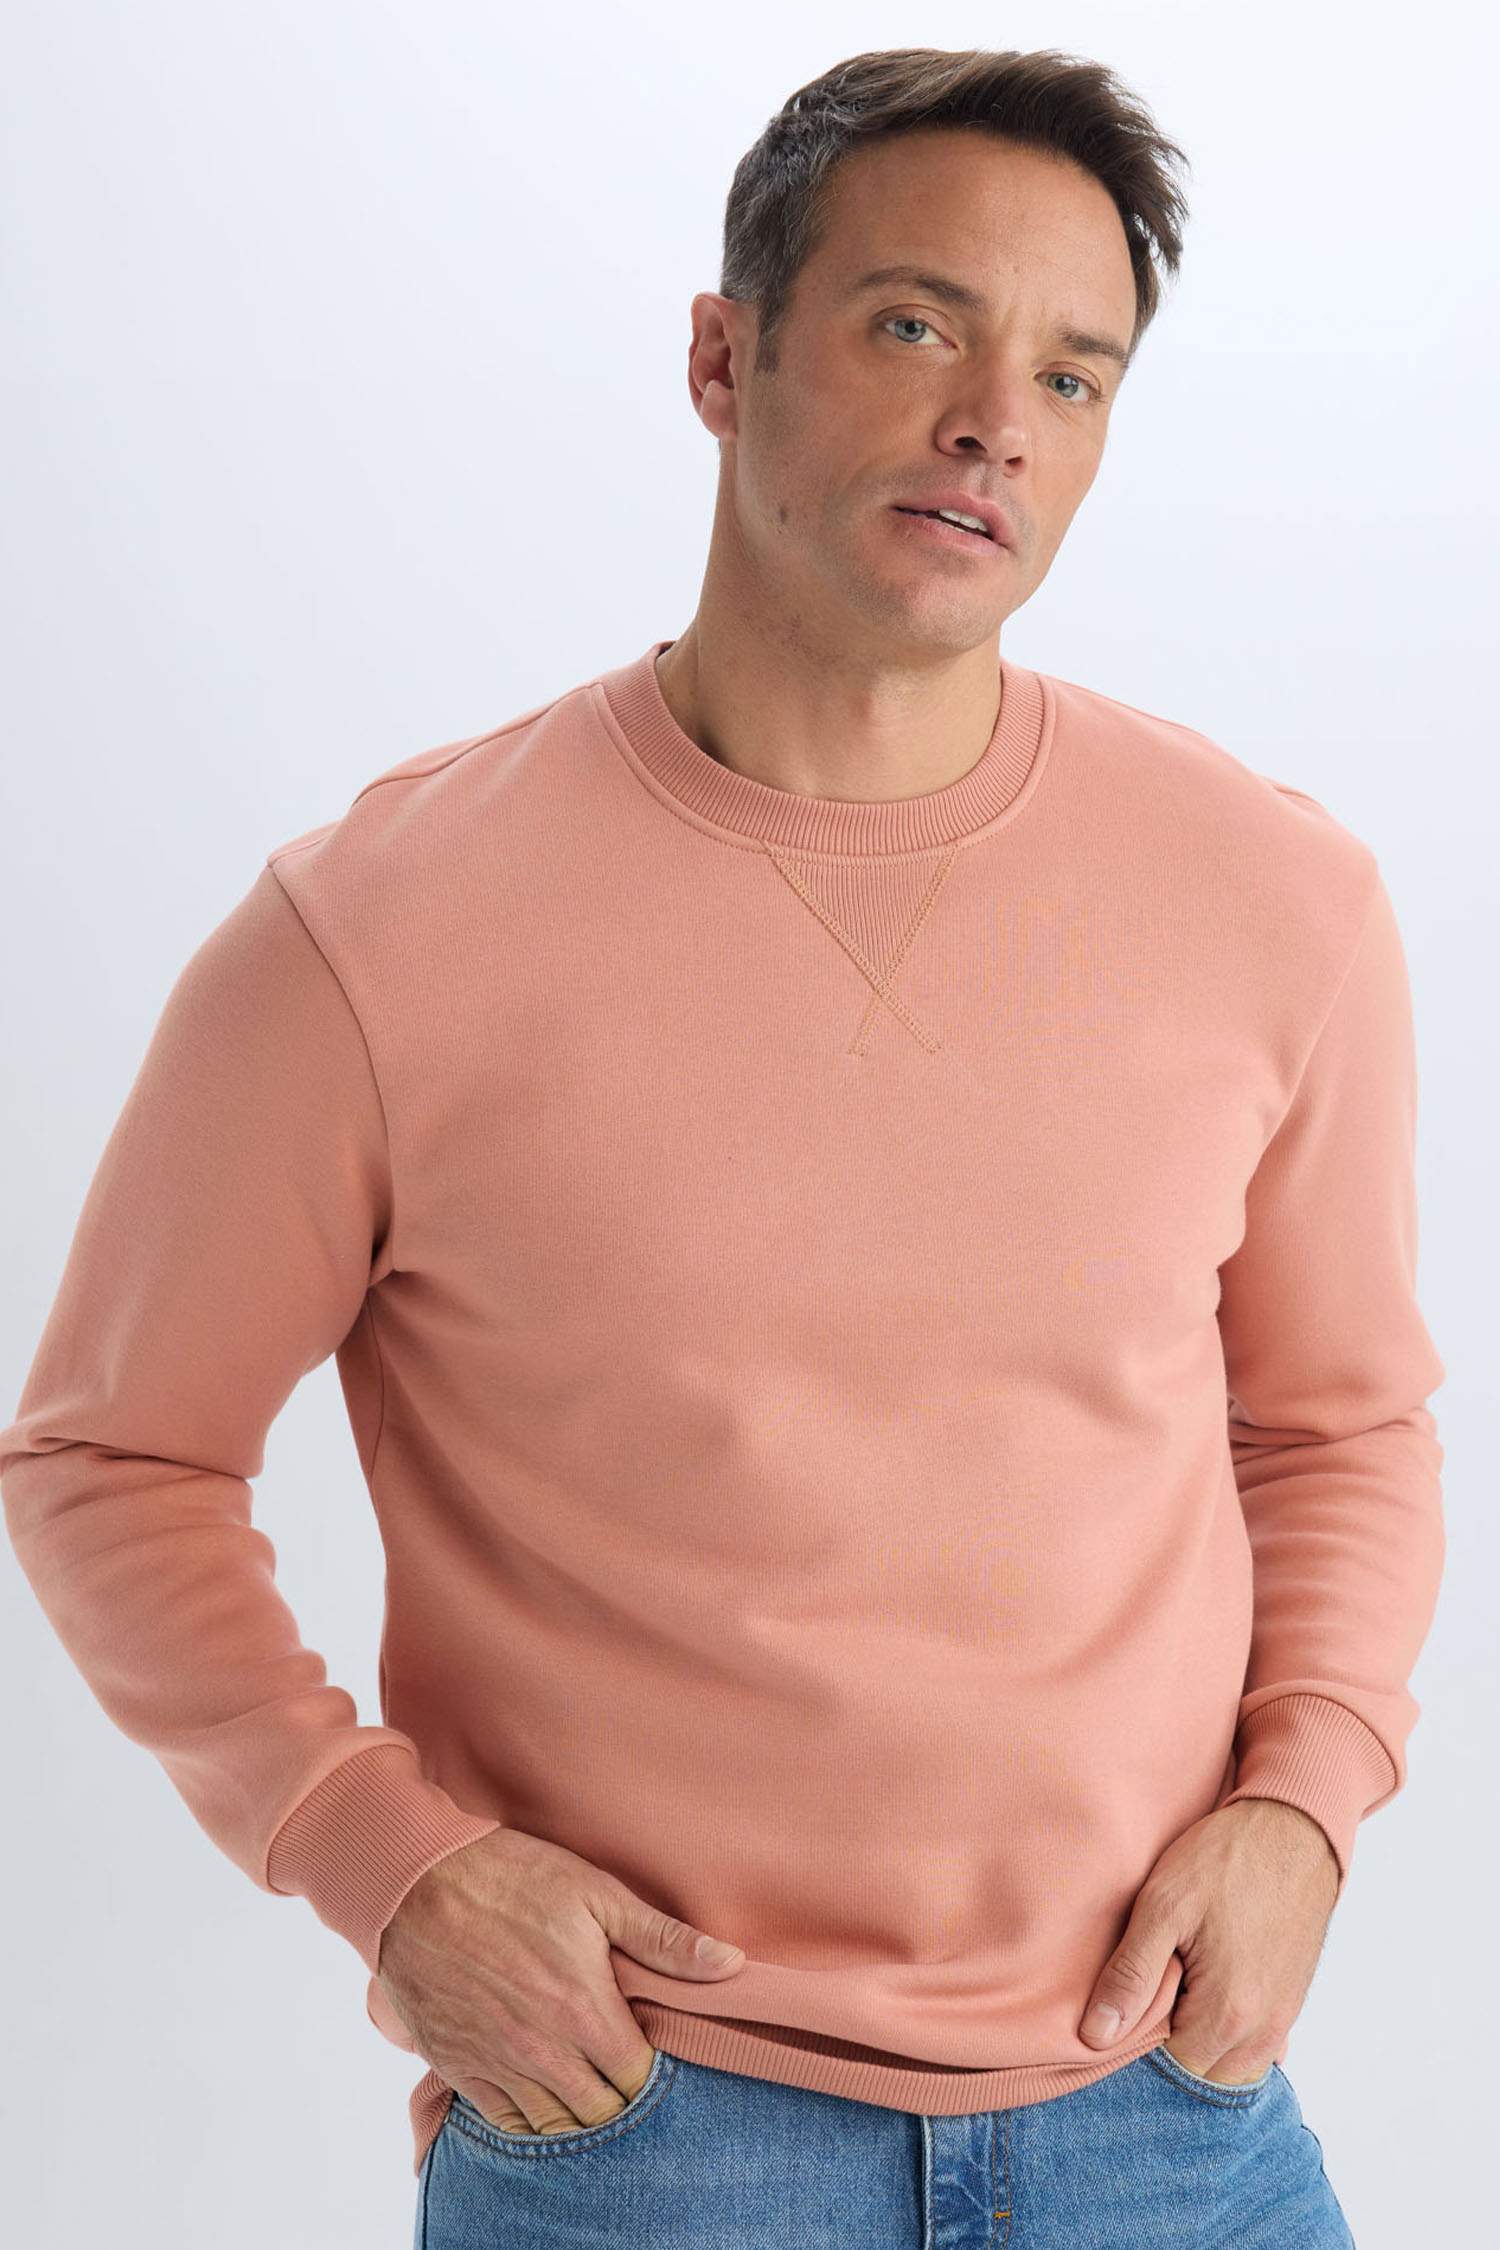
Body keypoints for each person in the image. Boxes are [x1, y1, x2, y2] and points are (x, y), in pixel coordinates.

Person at [0, 44, 1444, 2250]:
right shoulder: (377, 932)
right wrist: (380, 1860)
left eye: (1073, 375)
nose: (995, 420)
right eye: (916, 324)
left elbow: (1339, 1425)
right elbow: (113, 1457)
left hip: (1170, 2109)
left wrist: (1312, 1803)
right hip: (648, 2134)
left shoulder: (1278, 899)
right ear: (721, 354)